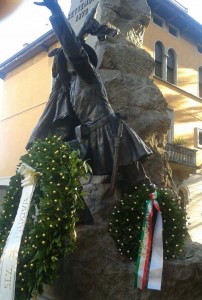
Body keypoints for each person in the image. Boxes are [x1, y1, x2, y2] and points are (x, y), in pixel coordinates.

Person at [30, 0, 152, 187]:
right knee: (105, 186)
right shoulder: (68, 87)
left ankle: (154, 213)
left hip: (109, 132)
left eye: (68, 57)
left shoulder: (87, 74)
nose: (65, 60)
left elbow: (72, 48)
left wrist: (56, 11)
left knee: (137, 181)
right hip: (91, 138)